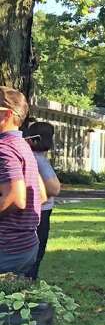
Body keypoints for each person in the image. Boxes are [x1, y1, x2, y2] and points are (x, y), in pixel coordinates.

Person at [0, 89, 43, 277]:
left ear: (7, 114)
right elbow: (40, 193)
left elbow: (15, 198)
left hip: (6, 247)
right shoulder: (22, 146)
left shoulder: (4, 148)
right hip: (25, 245)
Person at [24, 121, 60, 280]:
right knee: (35, 254)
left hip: (39, 210)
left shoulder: (37, 158)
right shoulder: (37, 159)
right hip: (39, 213)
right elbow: (54, 189)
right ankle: (27, 287)